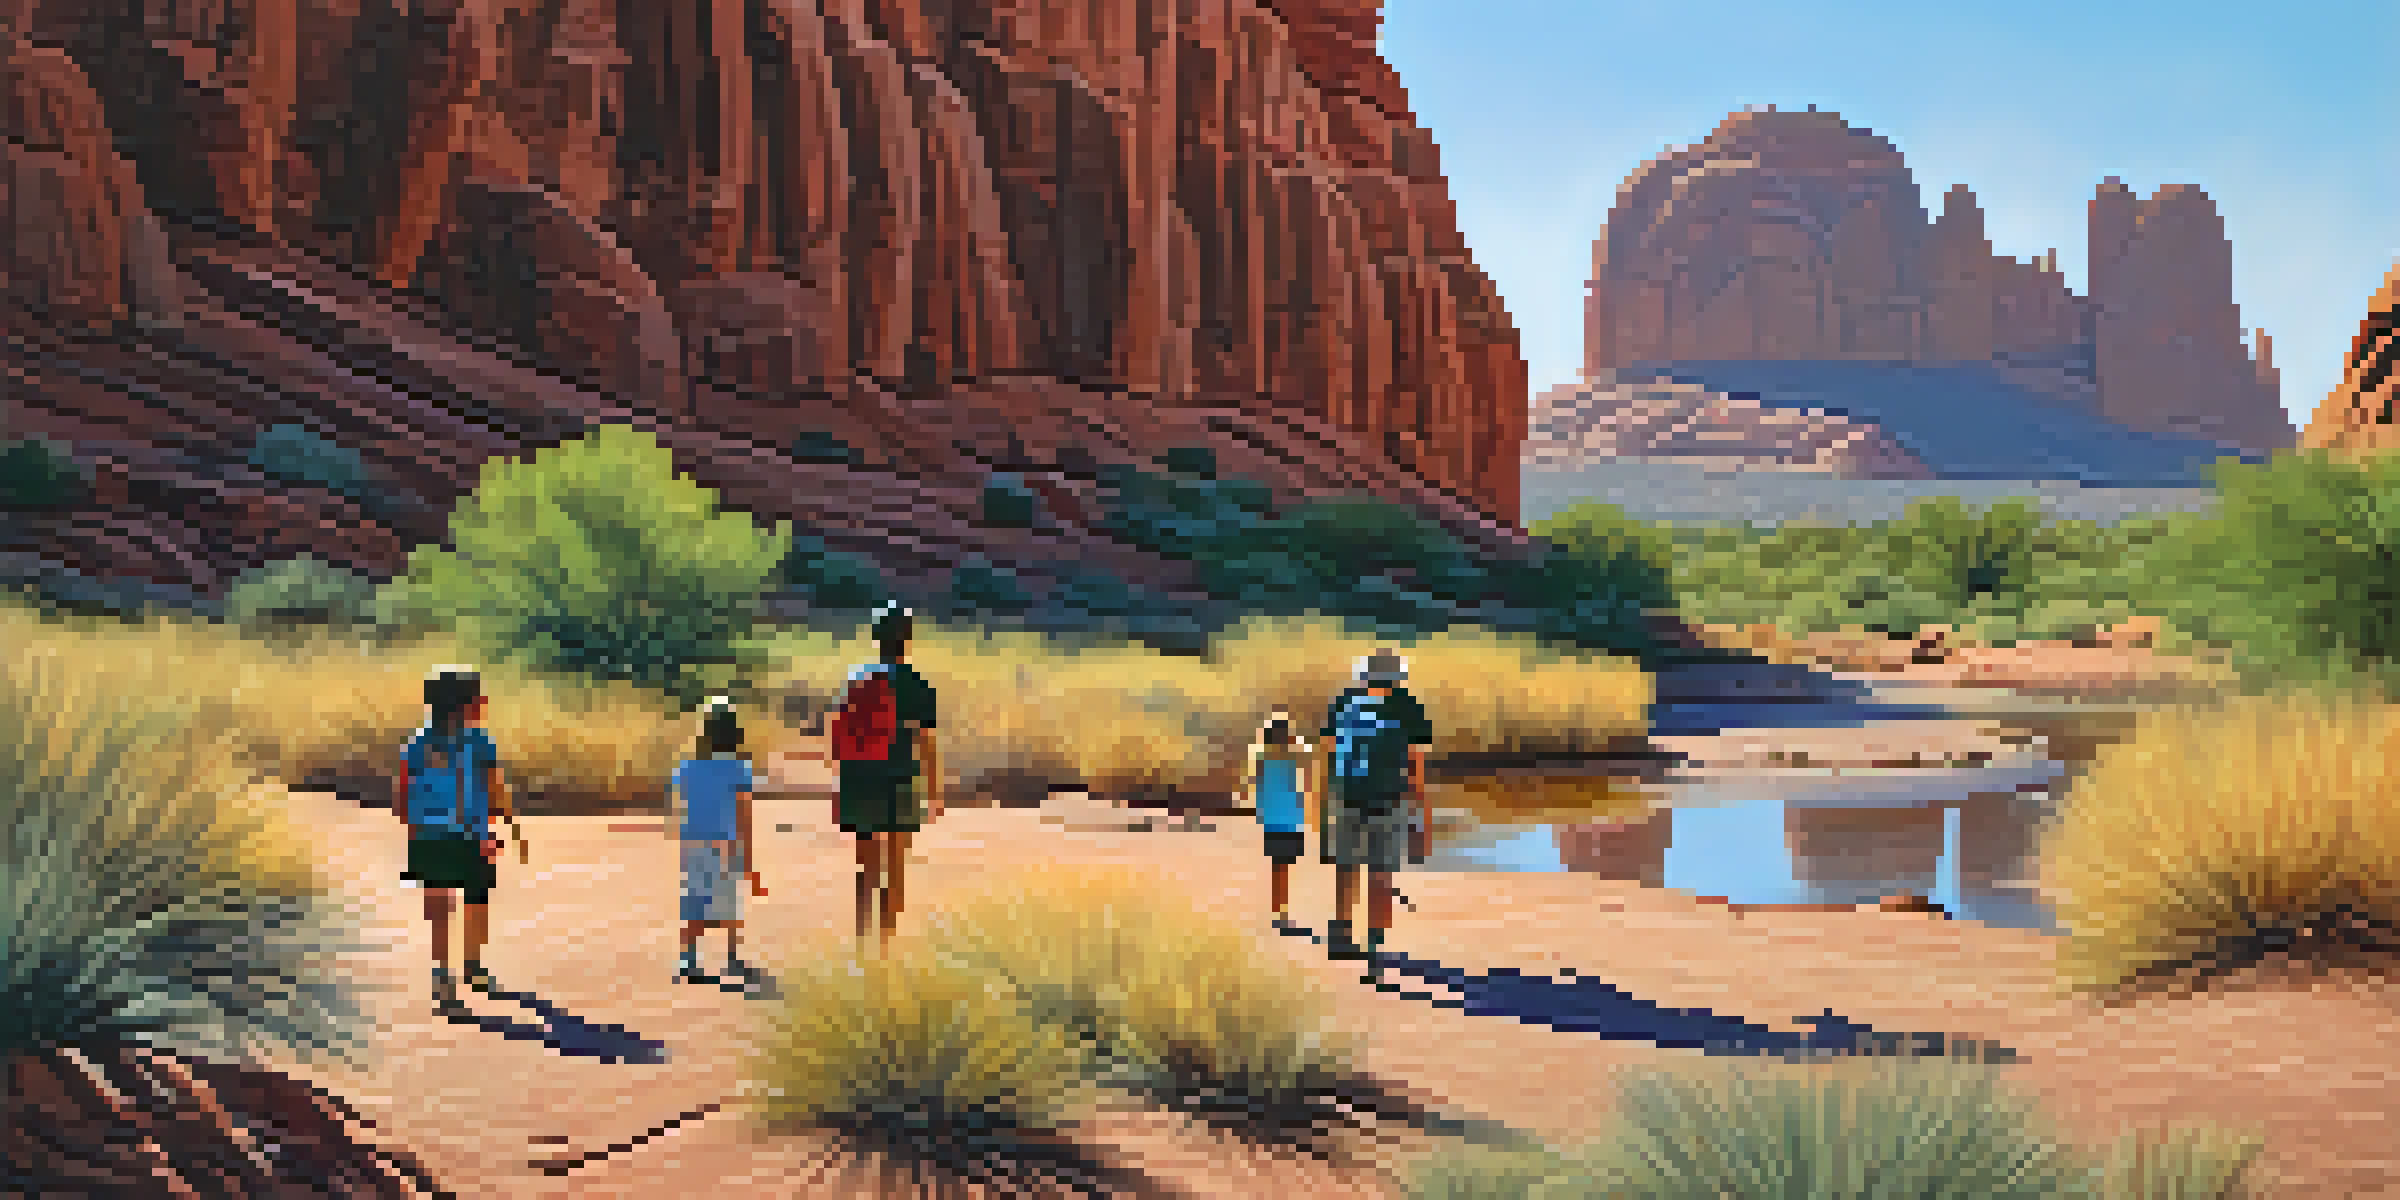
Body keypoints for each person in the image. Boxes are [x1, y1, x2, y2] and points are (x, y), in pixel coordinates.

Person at [396, 667, 528, 1015]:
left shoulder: (417, 742)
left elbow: (404, 794)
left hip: (430, 835)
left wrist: (412, 833)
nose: (483, 702)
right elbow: (494, 788)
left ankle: (445, 977)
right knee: (475, 902)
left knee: (442, 909)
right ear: (464, 705)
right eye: (477, 698)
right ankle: (471, 967)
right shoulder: (479, 742)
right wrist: (505, 824)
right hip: (469, 835)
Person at [1319, 649, 1433, 988]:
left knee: (1346, 865)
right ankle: (1374, 955)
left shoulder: (1344, 702)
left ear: (1364, 676)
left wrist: (1323, 801)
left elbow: (1327, 754)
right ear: (1397, 678)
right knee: (1380, 876)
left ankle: (1341, 935)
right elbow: (1416, 767)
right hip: (1388, 800)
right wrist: (1421, 813)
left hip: (1345, 796)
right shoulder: (1409, 707)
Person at [833, 603, 941, 950]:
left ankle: (861, 941)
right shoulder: (917, 684)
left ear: (877, 637)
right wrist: (934, 791)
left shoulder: (856, 679)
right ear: (906, 638)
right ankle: (885, 946)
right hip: (899, 780)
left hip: (858, 778)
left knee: (866, 867)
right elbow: (926, 742)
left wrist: (841, 783)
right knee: (894, 869)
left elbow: (841, 734)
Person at [670, 697, 766, 986]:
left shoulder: (687, 767)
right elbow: (744, 816)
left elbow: (681, 806)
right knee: (729, 904)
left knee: (695, 902)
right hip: (726, 843)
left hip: (694, 842)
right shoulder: (739, 768)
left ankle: (688, 960)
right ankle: (732, 960)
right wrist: (748, 859)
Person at [1246, 711, 1317, 936]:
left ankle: (1279, 911)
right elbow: (1309, 756)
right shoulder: (1292, 757)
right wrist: (1297, 741)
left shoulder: (1262, 758)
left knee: (1278, 867)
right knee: (1284, 868)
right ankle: (1281, 913)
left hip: (1272, 820)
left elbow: (1257, 785)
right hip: (1290, 819)